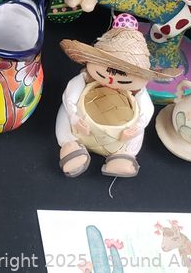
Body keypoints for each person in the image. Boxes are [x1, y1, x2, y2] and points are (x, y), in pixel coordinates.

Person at [56, 14, 175, 178]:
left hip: (117, 136)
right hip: (81, 123)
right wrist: (74, 116)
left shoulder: (137, 91)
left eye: (123, 76)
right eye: (107, 71)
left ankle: (125, 155)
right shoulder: (86, 78)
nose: (111, 80)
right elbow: (71, 93)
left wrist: (137, 126)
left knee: (138, 130)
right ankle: (70, 145)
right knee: (65, 110)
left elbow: (146, 109)